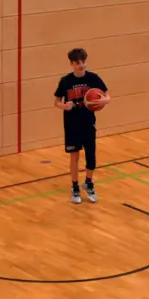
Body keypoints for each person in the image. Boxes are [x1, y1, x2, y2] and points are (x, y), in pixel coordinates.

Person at [53, 47, 110, 204]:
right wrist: (64, 106)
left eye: (84, 62)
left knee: (91, 157)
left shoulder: (93, 78)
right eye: (78, 63)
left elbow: (107, 95)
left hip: (88, 123)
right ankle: (75, 186)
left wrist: (106, 100)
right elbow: (57, 101)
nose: (82, 65)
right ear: (71, 64)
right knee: (75, 156)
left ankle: (89, 183)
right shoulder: (66, 81)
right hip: (72, 124)